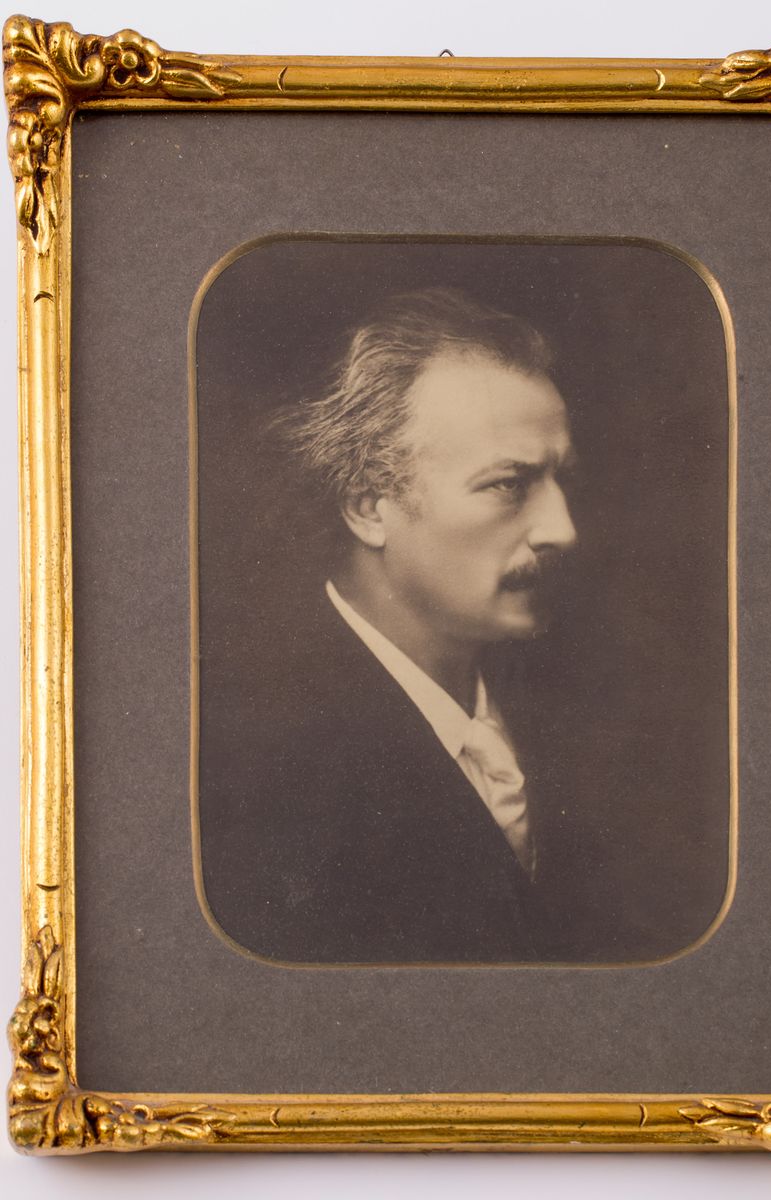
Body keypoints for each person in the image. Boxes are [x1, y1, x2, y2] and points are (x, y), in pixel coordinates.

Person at [198, 288, 618, 962]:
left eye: (561, 481)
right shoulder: (255, 767)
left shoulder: (585, 710)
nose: (562, 530)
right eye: (508, 484)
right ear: (369, 507)